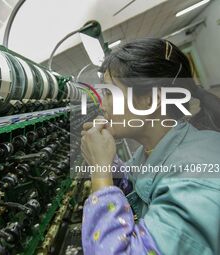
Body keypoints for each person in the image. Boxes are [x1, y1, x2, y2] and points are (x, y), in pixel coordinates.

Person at [80, 38, 220, 255]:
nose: (102, 105)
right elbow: (137, 185)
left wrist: (100, 171)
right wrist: (107, 161)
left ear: (149, 99)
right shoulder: (152, 150)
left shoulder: (194, 180)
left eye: (109, 93)